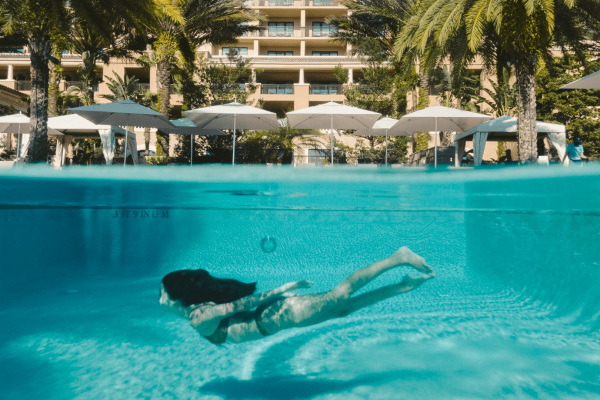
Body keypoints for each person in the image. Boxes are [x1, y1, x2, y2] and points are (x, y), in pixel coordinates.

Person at [159, 247, 435, 345]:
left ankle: (399, 258)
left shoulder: (198, 317)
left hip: (277, 316)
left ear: (174, 296)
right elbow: (240, 305)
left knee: (340, 295)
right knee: (343, 309)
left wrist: (284, 288)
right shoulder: (197, 309)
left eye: (162, 292)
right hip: (279, 317)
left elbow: (241, 304)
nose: (159, 297)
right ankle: (403, 286)